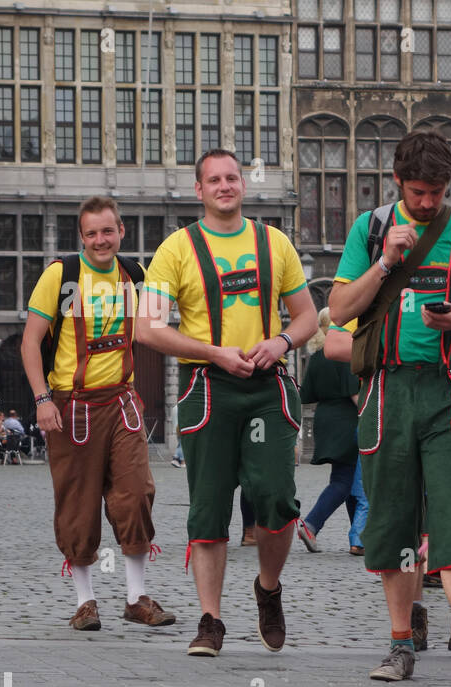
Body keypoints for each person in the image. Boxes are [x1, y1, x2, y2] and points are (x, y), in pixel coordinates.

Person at [328, 129, 451, 687]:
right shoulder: (371, 228)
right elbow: (337, 310)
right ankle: (401, 644)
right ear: (399, 182)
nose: (429, 202)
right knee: (394, 518)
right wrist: (384, 263)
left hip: (448, 390)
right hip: (385, 391)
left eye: (438, 191)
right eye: (419, 191)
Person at [135, 149, 317, 657]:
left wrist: (280, 342)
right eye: (213, 180)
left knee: (276, 496)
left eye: (231, 177)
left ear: (243, 184)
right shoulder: (175, 249)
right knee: (208, 507)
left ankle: (268, 588)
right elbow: (146, 328)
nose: (223, 186)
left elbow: (308, 315)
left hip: (266, 385)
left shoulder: (273, 242)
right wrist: (212, 351)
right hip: (207, 387)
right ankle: (210, 620)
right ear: (199, 190)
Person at [19, 195, 175, 632]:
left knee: (137, 493)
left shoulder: (137, 275)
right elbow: (30, 342)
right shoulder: (61, 276)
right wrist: (41, 399)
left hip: (121, 400)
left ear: (121, 231)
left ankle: (135, 597)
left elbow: (162, 328)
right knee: (77, 504)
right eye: (92, 233)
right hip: (72, 406)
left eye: (108, 231)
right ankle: (85, 601)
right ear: (81, 236)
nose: (100, 240)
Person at [297, 308, 365, 555]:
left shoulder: (316, 357)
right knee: (345, 480)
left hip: (325, 419)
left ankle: (358, 537)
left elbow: (307, 395)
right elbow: (355, 394)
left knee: (348, 479)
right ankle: (312, 524)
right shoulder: (344, 354)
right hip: (348, 420)